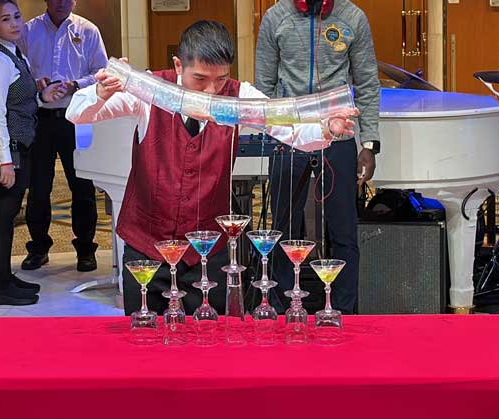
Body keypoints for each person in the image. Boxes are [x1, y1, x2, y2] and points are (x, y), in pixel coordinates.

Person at [67, 20, 357, 314]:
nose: (211, 90)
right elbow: (77, 113)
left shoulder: (238, 95)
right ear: (179, 65)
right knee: (146, 341)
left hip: (207, 250)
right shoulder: (150, 89)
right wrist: (100, 93)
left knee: (211, 344)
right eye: (200, 79)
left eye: (220, 80)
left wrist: (327, 129)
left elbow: (290, 130)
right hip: (147, 246)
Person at [254, 0, 380, 313]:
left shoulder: (353, 18)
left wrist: (369, 144)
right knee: (283, 228)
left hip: (337, 136)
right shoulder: (275, 18)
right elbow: (263, 87)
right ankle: (277, 305)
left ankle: (344, 310)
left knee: (343, 231)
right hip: (288, 139)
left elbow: (368, 83)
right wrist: (270, 133)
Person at [21, 0, 106, 273]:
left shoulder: (88, 31)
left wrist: (74, 85)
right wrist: (37, 84)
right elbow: (18, 72)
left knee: (82, 185)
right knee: (39, 187)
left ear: (75, 0)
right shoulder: (28, 31)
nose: (62, 2)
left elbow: (101, 73)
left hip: (76, 118)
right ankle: (39, 247)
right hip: (40, 119)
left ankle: (86, 249)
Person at [0, 0, 60, 306]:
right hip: (5, 149)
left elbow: (19, 102)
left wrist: (42, 96)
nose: (14, 24)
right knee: (1, 216)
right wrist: (5, 162)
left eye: (16, 16)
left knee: (9, 215)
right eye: (5, 19)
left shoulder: (14, 54)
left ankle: (4, 277)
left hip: (17, 145)